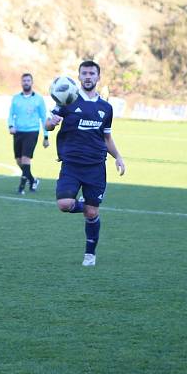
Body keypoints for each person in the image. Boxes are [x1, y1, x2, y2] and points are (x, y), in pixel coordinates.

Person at [45, 60, 126, 267]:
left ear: (98, 77)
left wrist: (118, 157)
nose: (88, 76)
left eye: (92, 73)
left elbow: (107, 138)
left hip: (96, 167)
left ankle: (90, 254)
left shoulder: (106, 108)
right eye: (84, 73)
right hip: (71, 165)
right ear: (79, 77)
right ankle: (88, 207)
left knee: (91, 213)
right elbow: (49, 123)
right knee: (64, 205)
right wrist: (51, 124)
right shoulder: (67, 100)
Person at [8, 73, 49, 195]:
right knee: (19, 160)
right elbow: (11, 114)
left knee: (26, 158)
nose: (26, 82)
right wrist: (11, 126)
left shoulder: (38, 99)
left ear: (32, 82)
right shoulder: (16, 98)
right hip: (18, 132)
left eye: (28, 80)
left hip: (32, 131)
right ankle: (33, 180)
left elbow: (43, 117)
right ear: (21, 83)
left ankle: (21, 187)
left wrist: (46, 136)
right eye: (24, 81)